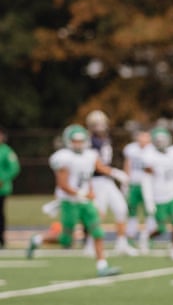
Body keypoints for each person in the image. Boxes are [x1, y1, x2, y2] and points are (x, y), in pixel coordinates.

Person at [27, 124, 121, 277]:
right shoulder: (63, 157)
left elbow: (90, 175)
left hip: (85, 201)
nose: (78, 144)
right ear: (68, 141)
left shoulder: (90, 155)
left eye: (80, 140)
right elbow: (63, 185)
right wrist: (81, 193)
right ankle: (37, 240)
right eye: (75, 141)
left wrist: (113, 175)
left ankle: (102, 266)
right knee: (67, 240)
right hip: (69, 201)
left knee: (98, 231)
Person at [84, 109, 138, 256]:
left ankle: (121, 243)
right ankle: (90, 244)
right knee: (98, 213)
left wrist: (112, 174)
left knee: (121, 209)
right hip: (96, 180)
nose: (100, 127)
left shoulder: (104, 139)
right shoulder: (90, 142)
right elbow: (96, 164)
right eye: (97, 125)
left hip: (107, 181)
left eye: (101, 124)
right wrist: (115, 172)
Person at [142, 127, 173, 262]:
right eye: (158, 141)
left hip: (172, 194)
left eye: (163, 140)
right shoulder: (149, 156)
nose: (161, 143)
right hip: (158, 197)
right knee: (161, 229)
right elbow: (146, 180)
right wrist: (149, 201)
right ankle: (146, 236)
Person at [123, 129, 158, 253]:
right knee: (132, 211)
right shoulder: (131, 149)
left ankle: (148, 237)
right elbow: (127, 164)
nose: (143, 140)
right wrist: (125, 181)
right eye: (141, 136)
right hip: (134, 183)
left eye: (146, 137)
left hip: (148, 185)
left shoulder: (153, 150)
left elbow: (156, 168)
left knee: (150, 211)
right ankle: (130, 236)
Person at [0, 127, 21, 249]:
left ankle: (1, 238)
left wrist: (3, 179)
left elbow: (14, 168)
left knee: (0, 214)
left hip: (2, 189)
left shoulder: (7, 151)